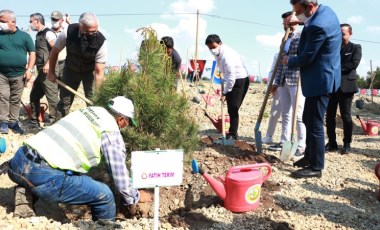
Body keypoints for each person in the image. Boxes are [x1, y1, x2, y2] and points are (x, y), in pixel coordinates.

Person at [6, 96, 153, 220]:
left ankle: (26, 189)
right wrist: (136, 196)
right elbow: (120, 180)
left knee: (70, 172)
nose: (125, 127)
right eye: (127, 123)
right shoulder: (111, 133)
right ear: (121, 119)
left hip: (18, 161)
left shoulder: (90, 111)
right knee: (105, 196)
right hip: (41, 174)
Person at [283, 0, 341, 178]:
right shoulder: (325, 11)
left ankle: (316, 167)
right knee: (308, 119)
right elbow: (310, 21)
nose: (296, 14)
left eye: (298, 11)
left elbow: (307, 56)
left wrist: (289, 61)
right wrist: (300, 21)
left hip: (321, 79)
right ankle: (309, 156)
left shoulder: (318, 26)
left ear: (309, 7)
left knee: (315, 123)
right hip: (323, 76)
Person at [47, 12, 107, 119]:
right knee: (65, 101)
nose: (94, 34)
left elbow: (99, 71)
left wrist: (99, 93)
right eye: (90, 31)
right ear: (81, 27)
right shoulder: (68, 32)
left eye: (96, 30)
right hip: (70, 70)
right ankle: (59, 124)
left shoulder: (101, 42)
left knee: (93, 101)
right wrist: (51, 72)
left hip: (90, 72)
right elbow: (54, 52)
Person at [269, 11, 306, 160]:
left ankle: (302, 145)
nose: (285, 24)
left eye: (287, 21)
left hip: (297, 79)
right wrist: (276, 82)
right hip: (284, 80)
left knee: (298, 115)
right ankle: (284, 141)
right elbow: (279, 62)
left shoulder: (302, 36)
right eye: (284, 22)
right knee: (285, 113)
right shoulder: (285, 38)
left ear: (295, 21)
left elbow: (304, 57)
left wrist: (290, 59)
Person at [325, 23, 362, 155]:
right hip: (331, 86)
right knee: (329, 116)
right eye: (338, 33)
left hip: (346, 87)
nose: (340, 35)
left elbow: (353, 64)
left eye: (343, 33)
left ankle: (347, 143)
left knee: (346, 116)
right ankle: (332, 142)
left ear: (350, 34)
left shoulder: (355, 47)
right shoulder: (333, 48)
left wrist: (335, 68)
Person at [205, 34, 250, 140]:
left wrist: (225, 93)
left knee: (233, 107)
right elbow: (226, 73)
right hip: (232, 79)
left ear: (220, 43)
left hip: (240, 80)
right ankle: (231, 132)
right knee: (230, 107)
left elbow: (231, 77)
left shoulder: (226, 55)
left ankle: (233, 134)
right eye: (210, 48)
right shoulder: (218, 53)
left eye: (213, 47)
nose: (212, 50)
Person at [0, 10, 36, 134]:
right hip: (2, 74)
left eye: (3, 21)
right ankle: (3, 122)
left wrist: (30, 69)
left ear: (13, 22)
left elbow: (32, 53)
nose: (1, 24)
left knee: (15, 99)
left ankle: (13, 122)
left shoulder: (24, 36)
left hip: (19, 74)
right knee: (3, 97)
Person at [28, 13, 59, 129]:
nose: (30, 23)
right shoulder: (38, 34)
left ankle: (55, 121)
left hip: (48, 71)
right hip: (41, 71)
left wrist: (48, 64)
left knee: (52, 97)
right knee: (34, 95)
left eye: (31, 21)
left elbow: (55, 49)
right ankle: (34, 120)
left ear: (37, 21)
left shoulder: (48, 33)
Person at [262, 53, 281, 144]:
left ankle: (287, 140)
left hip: (294, 86)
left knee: (292, 115)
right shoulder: (278, 54)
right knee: (274, 112)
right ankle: (269, 136)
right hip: (278, 86)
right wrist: (271, 85)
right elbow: (273, 70)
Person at [50, 11, 69, 81]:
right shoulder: (47, 32)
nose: (54, 21)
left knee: (64, 89)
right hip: (52, 65)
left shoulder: (67, 32)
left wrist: (69, 23)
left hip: (64, 64)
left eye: (56, 20)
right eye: (53, 19)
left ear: (62, 20)